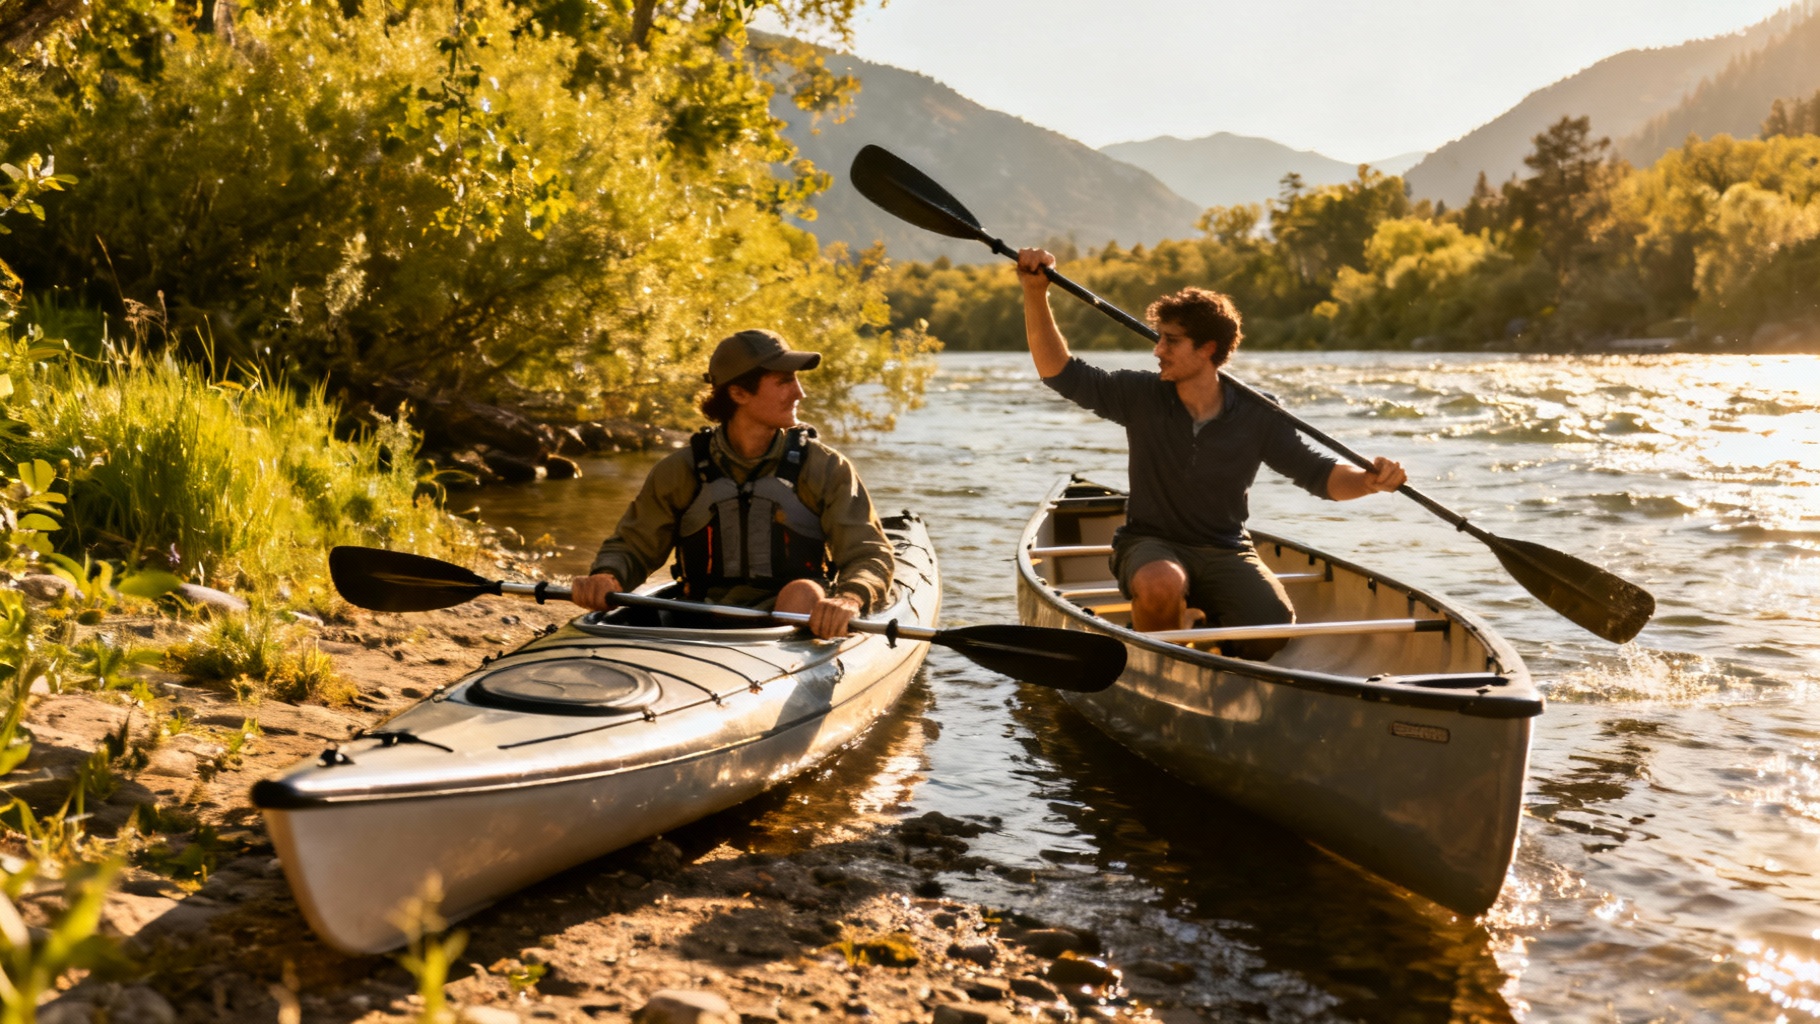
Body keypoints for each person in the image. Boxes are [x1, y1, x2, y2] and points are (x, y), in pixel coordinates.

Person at [1015, 247, 1407, 658]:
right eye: (1159, 337)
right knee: (1161, 582)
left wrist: (1369, 481)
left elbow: (1320, 476)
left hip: (1226, 548)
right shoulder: (1141, 394)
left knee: (1271, 628)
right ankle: (1162, 652)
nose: (1157, 350)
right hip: (1150, 542)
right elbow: (1058, 371)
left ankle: (1196, 626)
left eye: (1171, 340)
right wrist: (1035, 293)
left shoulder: (1258, 412)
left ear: (1207, 349)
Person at [569, 329, 894, 639]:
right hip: (698, 615)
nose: (799, 392)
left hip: (790, 621)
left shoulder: (825, 468)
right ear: (738, 393)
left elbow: (868, 552)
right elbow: (634, 545)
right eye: (784, 381)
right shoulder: (681, 470)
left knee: (802, 592)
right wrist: (607, 576)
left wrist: (850, 597)